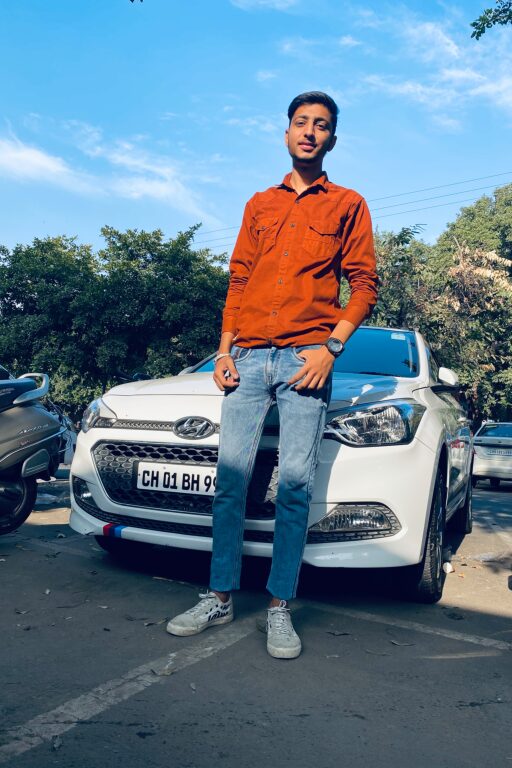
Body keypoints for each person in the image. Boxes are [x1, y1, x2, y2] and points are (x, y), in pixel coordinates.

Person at [167, 91, 378, 659]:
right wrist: (224, 351)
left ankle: (279, 606)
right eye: (301, 122)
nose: (309, 131)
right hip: (248, 357)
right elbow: (239, 279)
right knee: (230, 482)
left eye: (321, 125)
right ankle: (219, 596)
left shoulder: (349, 204)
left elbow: (364, 285)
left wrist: (330, 350)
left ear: (332, 139)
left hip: (306, 359)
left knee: (294, 486)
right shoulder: (260, 203)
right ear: (286, 133)